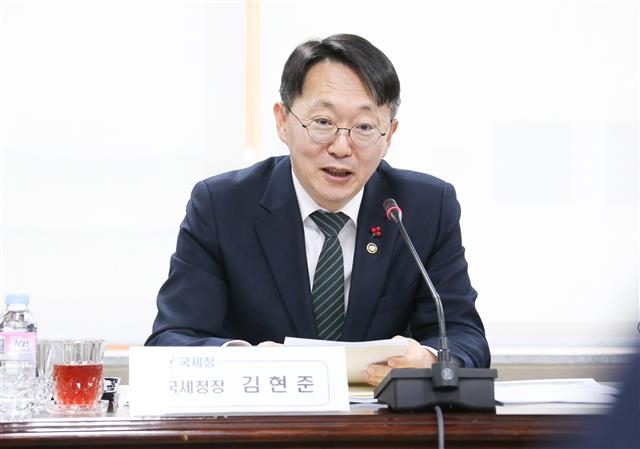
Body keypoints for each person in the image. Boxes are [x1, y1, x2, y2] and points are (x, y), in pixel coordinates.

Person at [145, 33, 491, 386]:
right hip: (265, 415)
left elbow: (465, 337)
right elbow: (170, 342)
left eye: (364, 127)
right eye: (323, 122)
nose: (341, 147)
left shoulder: (423, 208)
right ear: (283, 120)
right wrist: (245, 361)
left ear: (389, 135)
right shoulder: (222, 206)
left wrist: (428, 359)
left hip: (379, 418)